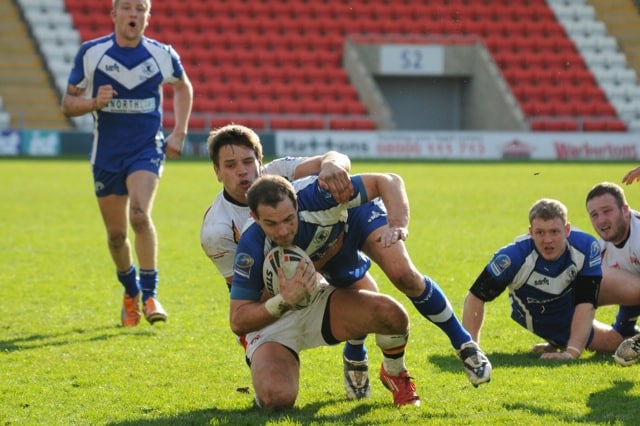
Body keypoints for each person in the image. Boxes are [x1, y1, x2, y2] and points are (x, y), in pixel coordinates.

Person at [201, 125, 491, 399]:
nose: (242, 171)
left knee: (400, 276)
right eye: (230, 165)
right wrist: (294, 288)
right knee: (277, 397)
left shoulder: (288, 180)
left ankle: (460, 345)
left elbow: (338, 162)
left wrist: (334, 167)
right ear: (216, 171)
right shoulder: (218, 230)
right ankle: (353, 353)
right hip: (295, 284)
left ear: (260, 162)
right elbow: (244, 302)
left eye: (248, 162)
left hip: (341, 223)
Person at [231, 173, 421, 408]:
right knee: (277, 399)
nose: (282, 231)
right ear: (255, 217)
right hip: (272, 326)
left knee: (392, 314)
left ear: (296, 206)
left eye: (289, 219)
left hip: (317, 302)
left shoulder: (314, 208)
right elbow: (237, 320)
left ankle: (394, 373)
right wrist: (284, 300)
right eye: (271, 223)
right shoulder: (249, 245)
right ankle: (262, 370)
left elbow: (382, 178)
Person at [61, 0, 193, 326]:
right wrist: (93, 102)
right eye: (127, 8)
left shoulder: (162, 54)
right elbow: (67, 103)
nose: (133, 14)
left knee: (139, 214)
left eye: (140, 9)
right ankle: (130, 291)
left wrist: (179, 132)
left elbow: (183, 86)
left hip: (146, 148)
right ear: (114, 14)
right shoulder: (92, 53)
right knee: (116, 236)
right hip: (106, 154)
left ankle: (150, 295)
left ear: (148, 17)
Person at [462, 198, 624, 360]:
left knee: (635, 288)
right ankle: (560, 338)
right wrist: (472, 350)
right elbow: (476, 296)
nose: (547, 240)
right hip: (546, 316)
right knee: (615, 343)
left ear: (567, 230)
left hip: (571, 299)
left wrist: (572, 352)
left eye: (554, 231)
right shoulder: (513, 257)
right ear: (530, 232)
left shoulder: (586, 245)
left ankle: (626, 326)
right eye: (540, 232)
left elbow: (586, 302)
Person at [585, 182, 640, 365]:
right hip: (633, 292)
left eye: (607, 211)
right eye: (594, 215)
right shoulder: (599, 249)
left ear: (625, 210)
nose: (601, 220)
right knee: (620, 337)